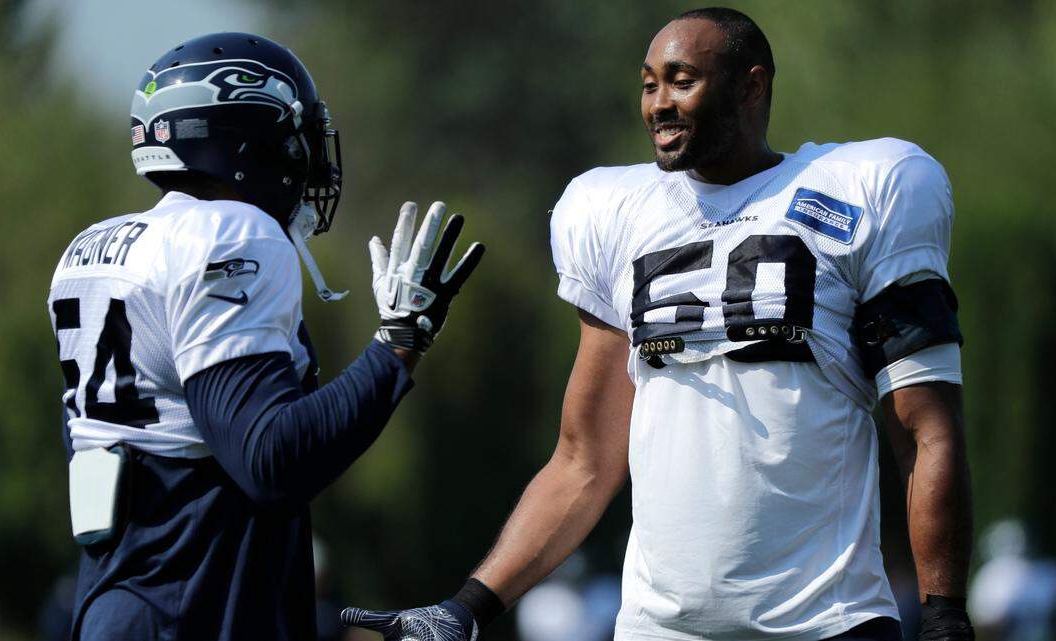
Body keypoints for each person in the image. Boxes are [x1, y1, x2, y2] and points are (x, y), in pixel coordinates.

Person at [342, 7, 973, 641]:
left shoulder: (867, 189)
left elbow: (926, 433)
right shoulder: (617, 214)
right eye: (649, 84)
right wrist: (465, 609)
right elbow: (584, 458)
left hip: (827, 623)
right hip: (659, 628)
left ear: (751, 87)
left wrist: (944, 616)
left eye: (682, 80)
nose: (659, 104)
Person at [47, 32, 483, 640]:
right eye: (296, 136)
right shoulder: (234, 232)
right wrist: (399, 343)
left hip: (114, 601)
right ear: (250, 137)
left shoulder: (93, 248)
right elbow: (270, 458)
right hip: (198, 603)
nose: (307, 159)